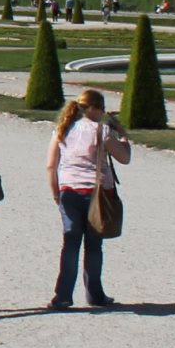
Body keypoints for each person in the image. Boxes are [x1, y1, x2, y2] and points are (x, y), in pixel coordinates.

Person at [44, 89, 130, 310]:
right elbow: (124, 158)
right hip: (96, 194)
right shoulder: (101, 131)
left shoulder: (63, 128)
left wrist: (56, 192)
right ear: (93, 108)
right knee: (94, 245)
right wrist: (123, 136)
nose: (103, 113)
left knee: (70, 244)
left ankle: (62, 295)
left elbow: (51, 165)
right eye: (101, 109)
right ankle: (95, 294)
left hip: (69, 191)